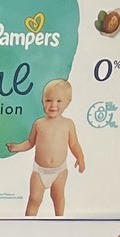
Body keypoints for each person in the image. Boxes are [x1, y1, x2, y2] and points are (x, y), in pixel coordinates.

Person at [6, 79, 85, 216]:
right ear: (42, 101)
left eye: (59, 101)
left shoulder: (68, 124)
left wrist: (80, 157)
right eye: (48, 100)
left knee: (58, 197)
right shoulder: (39, 124)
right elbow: (30, 142)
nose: (53, 105)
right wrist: (16, 147)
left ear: (68, 102)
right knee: (34, 199)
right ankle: (28, 223)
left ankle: (59, 220)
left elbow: (74, 144)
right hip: (39, 171)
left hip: (59, 170)